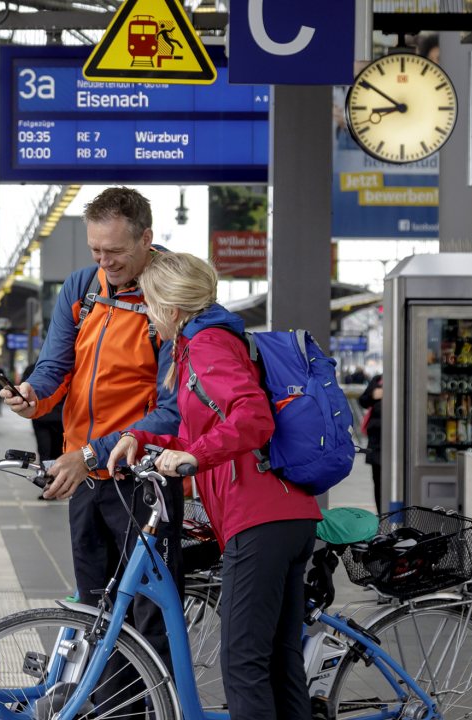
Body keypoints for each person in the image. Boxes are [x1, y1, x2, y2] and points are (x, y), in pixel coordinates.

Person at [107, 251, 321, 720]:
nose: (145, 316)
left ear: (171, 306)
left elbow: (253, 418)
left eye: (147, 305)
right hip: (286, 515)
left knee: (242, 661)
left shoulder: (206, 345)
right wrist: (140, 436)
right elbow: (200, 430)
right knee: (278, 661)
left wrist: (196, 456)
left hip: (259, 517)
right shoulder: (205, 343)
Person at [0, 187, 180, 703]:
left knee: (145, 613)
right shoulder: (83, 286)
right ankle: (106, 709)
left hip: (143, 478)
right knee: (94, 607)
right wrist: (33, 394)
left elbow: (172, 406)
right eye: (96, 251)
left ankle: (150, 710)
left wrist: (93, 453)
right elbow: (56, 366)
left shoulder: (170, 296)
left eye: (115, 252)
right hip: (85, 474)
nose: (105, 262)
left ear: (146, 239)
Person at [21, 360, 65, 463]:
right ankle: (55, 475)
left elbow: (24, 390)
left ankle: (45, 474)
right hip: (59, 417)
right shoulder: (63, 367)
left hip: (41, 417)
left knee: (44, 450)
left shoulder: (31, 368)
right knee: (58, 451)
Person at [358, 374, 384, 513]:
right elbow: (363, 400)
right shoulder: (378, 379)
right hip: (377, 442)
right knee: (378, 481)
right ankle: (382, 516)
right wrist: (374, 395)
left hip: (395, 444)